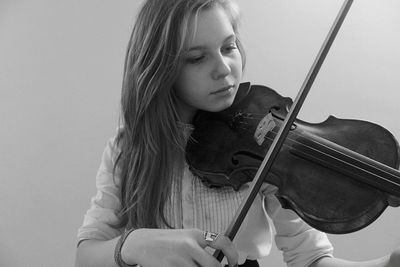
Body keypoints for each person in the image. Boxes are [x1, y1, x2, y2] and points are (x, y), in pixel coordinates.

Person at [74, 0, 400, 266]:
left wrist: (388, 263)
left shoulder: (266, 146)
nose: (224, 68)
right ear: (159, 68)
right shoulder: (128, 146)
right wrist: (134, 244)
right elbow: (86, 256)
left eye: (228, 47)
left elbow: (311, 257)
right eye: (197, 58)